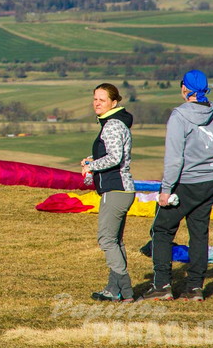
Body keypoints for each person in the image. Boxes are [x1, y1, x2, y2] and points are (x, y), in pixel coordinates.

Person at [142, 70, 213, 302]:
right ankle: (194, 288)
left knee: (162, 231)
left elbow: (174, 158)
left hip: (183, 184)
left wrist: (165, 190)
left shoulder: (179, 116)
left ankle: (162, 285)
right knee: (199, 234)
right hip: (210, 184)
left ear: (185, 89)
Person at [81, 83, 136, 302]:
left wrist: (91, 166)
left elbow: (114, 158)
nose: (96, 103)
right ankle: (114, 290)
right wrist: (92, 161)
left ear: (114, 103)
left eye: (102, 100)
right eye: (95, 98)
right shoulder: (115, 123)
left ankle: (126, 290)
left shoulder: (112, 125)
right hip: (121, 189)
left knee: (106, 240)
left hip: (116, 189)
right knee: (116, 241)